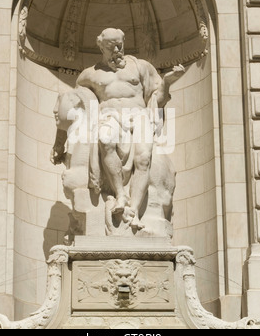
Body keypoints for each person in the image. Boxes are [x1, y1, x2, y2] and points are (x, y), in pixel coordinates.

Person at [76, 28, 184, 229]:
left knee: (143, 158)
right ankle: (120, 195)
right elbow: (77, 100)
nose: (117, 49)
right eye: (111, 45)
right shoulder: (89, 74)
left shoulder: (141, 66)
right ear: (101, 46)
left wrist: (167, 82)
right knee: (105, 140)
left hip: (138, 115)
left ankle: (133, 211)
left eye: (120, 44)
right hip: (109, 116)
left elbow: (157, 99)